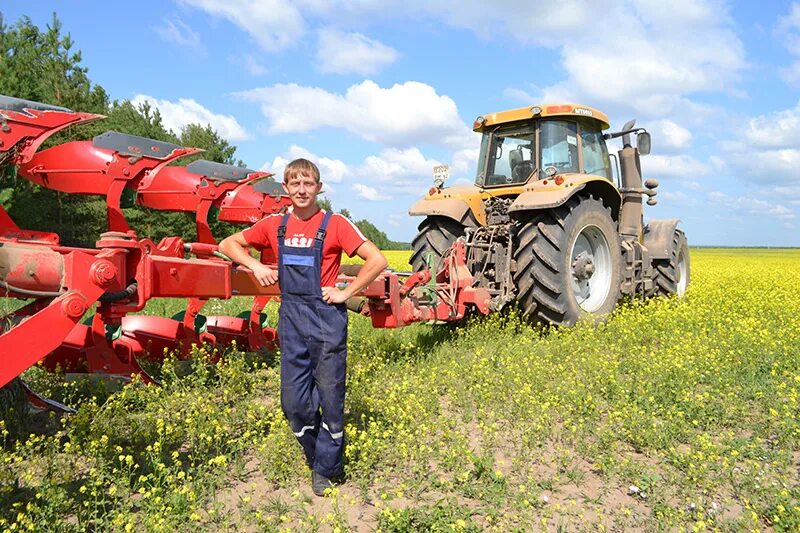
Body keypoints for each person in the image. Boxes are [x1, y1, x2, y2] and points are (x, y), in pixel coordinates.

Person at [219, 158, 388, 496]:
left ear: (319, 188)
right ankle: (316, 453)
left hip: (326, 318)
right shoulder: (274, 225)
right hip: (292, 319)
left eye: (308, 183)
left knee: (330, 395)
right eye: (294, 183)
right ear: (285, 188)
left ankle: (327, 469)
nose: (301, 190)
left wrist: (345, 292)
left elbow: (378, 260)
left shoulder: (336, 224)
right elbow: (228, 244)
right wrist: (254, 265)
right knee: (293, 403)